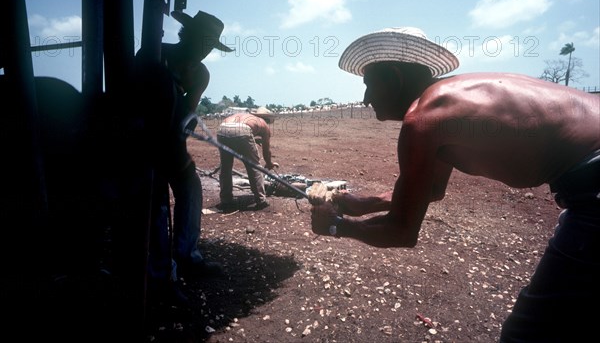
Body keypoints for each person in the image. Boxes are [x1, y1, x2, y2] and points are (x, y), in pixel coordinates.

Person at [310, 27, 600, 341]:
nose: (366, 99)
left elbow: (401, 232)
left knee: (527, 334)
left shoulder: (423, 117)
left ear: (394, 77)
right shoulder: (447, 102)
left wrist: (337, 227)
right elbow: (432, 190)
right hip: (587, 187)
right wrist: (356, 203)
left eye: (369, 85)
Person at [143, 10, 233, 295]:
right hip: (142, 140)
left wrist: (183, 132)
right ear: (186, 35)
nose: (205, 51)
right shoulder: (155, 54)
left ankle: (187, 256)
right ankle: (158, 274)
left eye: (210, 46)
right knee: (155, 202)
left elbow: (188, 110)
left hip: (171, 140)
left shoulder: (202, 74)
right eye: (202, 42)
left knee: (191, 188)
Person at [216, 107, 279, 211]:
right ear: (267, 119)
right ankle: (261, 200)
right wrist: (269, 163)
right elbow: (266, 151)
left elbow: (235, 131)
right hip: (243, 130)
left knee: (225, 166)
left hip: (223, 128)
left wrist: (250, 140)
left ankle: (226, 199)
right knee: (254, 166)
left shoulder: (247, 117)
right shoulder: (263, 124)